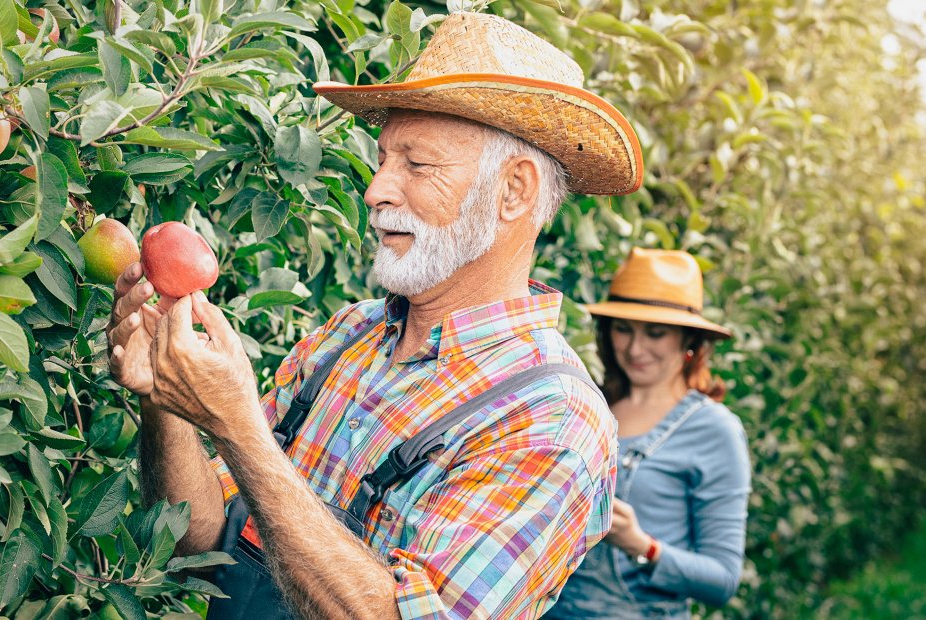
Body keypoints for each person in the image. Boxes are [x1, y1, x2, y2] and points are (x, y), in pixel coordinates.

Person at [107, 12, 644, 619]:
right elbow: (200, 538)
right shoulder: (350, 336)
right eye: (384, 159)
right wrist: (164, 400)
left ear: (514, 191)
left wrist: (238, 428)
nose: (376, 189)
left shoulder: (551, 423)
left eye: (417, 165)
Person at [543, 248, 750, 619]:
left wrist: (642, 545)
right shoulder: (587, 406)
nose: (635, 348)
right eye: (623, 329)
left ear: (689, 340)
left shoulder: (716, 430)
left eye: (655, 334)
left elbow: (722, 579)